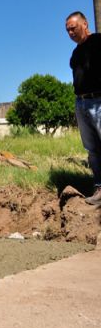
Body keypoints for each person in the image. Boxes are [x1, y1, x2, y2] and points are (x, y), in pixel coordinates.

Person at [65, 11, 101, 205]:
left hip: (99, 101)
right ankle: (99, 188)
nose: (70, 32)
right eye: (67, 30)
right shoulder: (76, 53)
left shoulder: (98, 42)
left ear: (85, 24)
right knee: (92, 149)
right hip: (81, 103)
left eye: (73, 27)